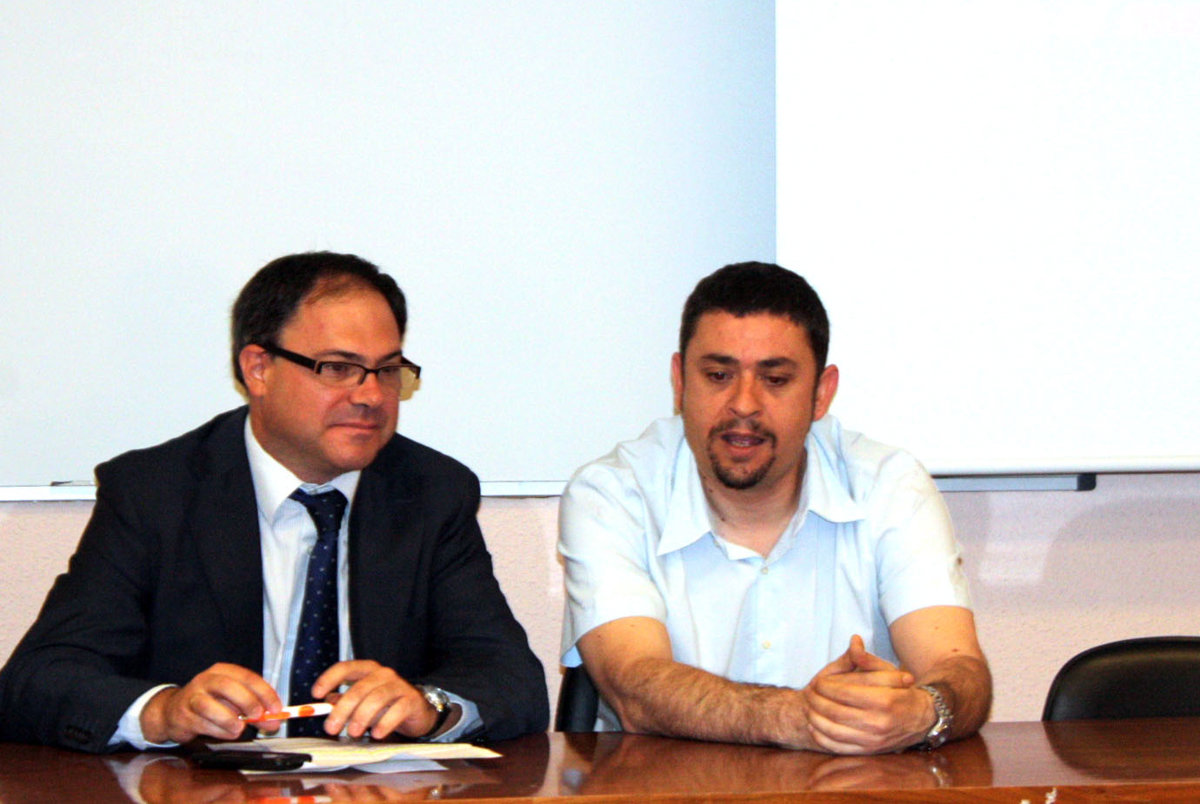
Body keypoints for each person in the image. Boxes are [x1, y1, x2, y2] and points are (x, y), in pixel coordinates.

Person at [0, 251, 547, 752]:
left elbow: (511, 679)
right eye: (338, 368)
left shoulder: (432, 491)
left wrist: (430, 707)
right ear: (258, 368)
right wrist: (162, 711)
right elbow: (38, 679)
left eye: (387, 370)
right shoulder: (155, 491)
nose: (371, 395)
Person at [558, 261, 991, 754]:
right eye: (718, 375)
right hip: (665, 787)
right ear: (679, 382)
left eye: (776, 379)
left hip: (850, 788)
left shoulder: (890, 486)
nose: (744, 404)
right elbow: (635, 685)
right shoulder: (612, 494)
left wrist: (924, 711)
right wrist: (803, 716)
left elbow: (959, 669)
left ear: (821, 394)